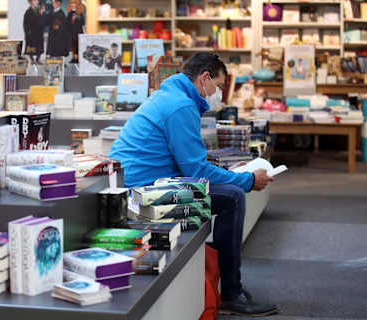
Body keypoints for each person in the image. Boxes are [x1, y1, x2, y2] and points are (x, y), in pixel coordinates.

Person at [109, 52, 279, 317]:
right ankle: (231, 294)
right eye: (219, 86)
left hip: (135, 187)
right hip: (140, 199)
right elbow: (196, 170)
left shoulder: (171, 97)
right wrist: (247, 179)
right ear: (204, 79)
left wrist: (225, 173)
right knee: (233, 197)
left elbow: (188, 162)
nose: (219, 93)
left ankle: (228, 286)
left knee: (228, 191)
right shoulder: (181, 106)